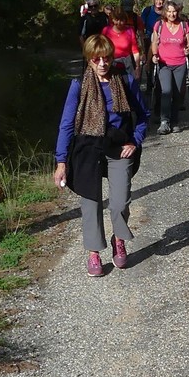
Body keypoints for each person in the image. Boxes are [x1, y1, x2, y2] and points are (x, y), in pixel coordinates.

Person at [53, 34, 149, 277]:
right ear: (89, 59)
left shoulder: (125, 80)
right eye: (96, 59)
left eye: (106, 58)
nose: (102, 63)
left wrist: (135, 141)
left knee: (119, 202)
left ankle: (119, 239)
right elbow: (66, 124)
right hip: (87, 146)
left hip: (118, 146)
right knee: (91, 202)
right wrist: (61, 162)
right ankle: (94, 252)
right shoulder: (79, 85)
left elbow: (143, 116)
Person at [151, 0, 189, 135]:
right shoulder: (159, 25)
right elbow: (155, 42)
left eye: (174, 11)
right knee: (166, 91)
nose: (172, 14)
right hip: (164, 64)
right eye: (169, 11)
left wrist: (188, 49)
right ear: (165, 12)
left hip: (180, 63)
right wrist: (154, 55)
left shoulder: (184, 25)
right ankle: (164, 121)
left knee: (178, 93)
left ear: (177, 12)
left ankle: (174, 122)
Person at [103, 4, 142, 80]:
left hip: (127, 65)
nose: (119, 22)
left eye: (122, 20)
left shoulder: (130, 31)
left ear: (125, 20)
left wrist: (137, 67)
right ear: (112, 19)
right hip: (111, 64)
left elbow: (135, 50)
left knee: (129, 84)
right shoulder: (106, 30)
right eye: (116, 20)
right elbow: (101, 48)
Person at [140, 0, 165, 95]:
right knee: (149, 61)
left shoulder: (166, 11)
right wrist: (143, 35)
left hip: (162, 38)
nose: (158, 2)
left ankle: (161, 84)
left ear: (163, 1)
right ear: (153, 0)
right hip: (149, 37)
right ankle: (149, 84)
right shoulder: (148, 10)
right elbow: (141, 24)